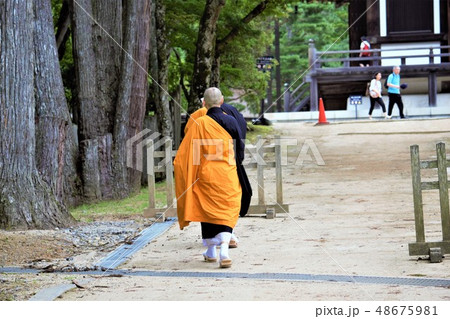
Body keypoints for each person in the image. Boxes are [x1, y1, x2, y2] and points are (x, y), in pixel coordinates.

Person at [174, 87, 243, 268]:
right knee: (227, 210)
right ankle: (224, 252)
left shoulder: (199, 123)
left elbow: (189, 153)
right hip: (227, 173)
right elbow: (239, 151)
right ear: (221, 101)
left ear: (204, 103)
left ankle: (211, 251)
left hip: (206, 174)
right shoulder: (231, 121)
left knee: (208, 210)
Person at [184, 99, 253, 249]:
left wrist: (194, 168)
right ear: (221, 100)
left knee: (207, 202)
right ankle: (228, 236)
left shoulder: (199, 119)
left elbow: (191, 146)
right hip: (228, 168)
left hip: (206, 169)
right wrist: (236, 161)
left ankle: (210, 241)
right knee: (229, 202)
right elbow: (239, 143)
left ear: (204, 103)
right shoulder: (233, 116)